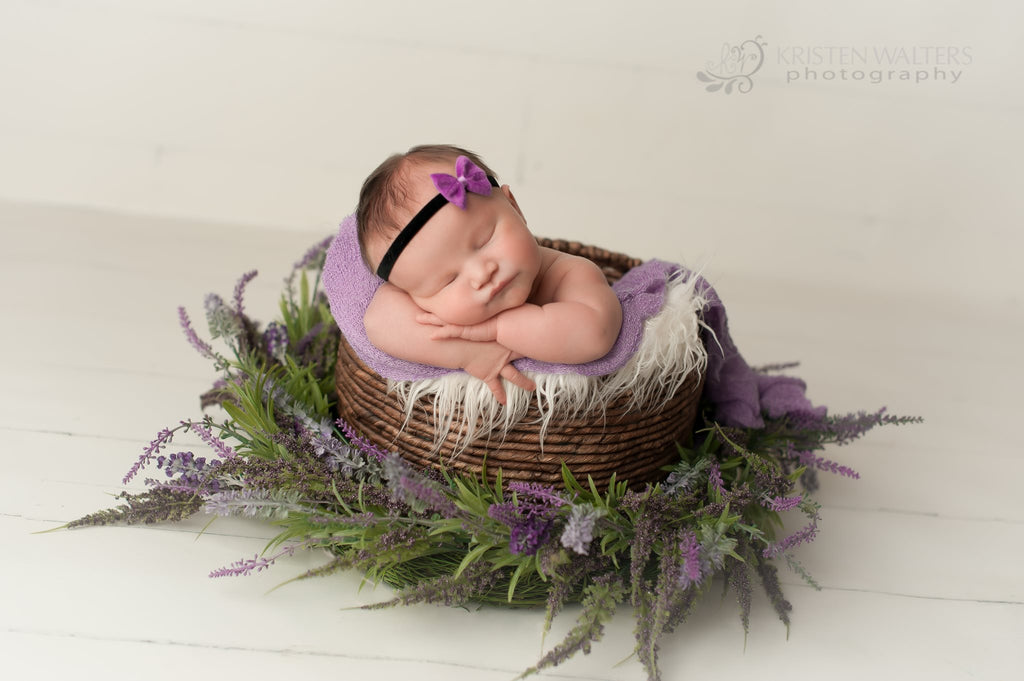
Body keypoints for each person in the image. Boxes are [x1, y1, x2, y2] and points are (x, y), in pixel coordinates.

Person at [357, 145, 623, 405]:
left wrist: (497, 330)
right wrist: (471, 352)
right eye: (448, 280)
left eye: (485, 240)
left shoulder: (569, 273)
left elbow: (596, 333)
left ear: (514, 207)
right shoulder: (420, 304)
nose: (481, 274)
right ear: (411, 295)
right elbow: (377, 321)